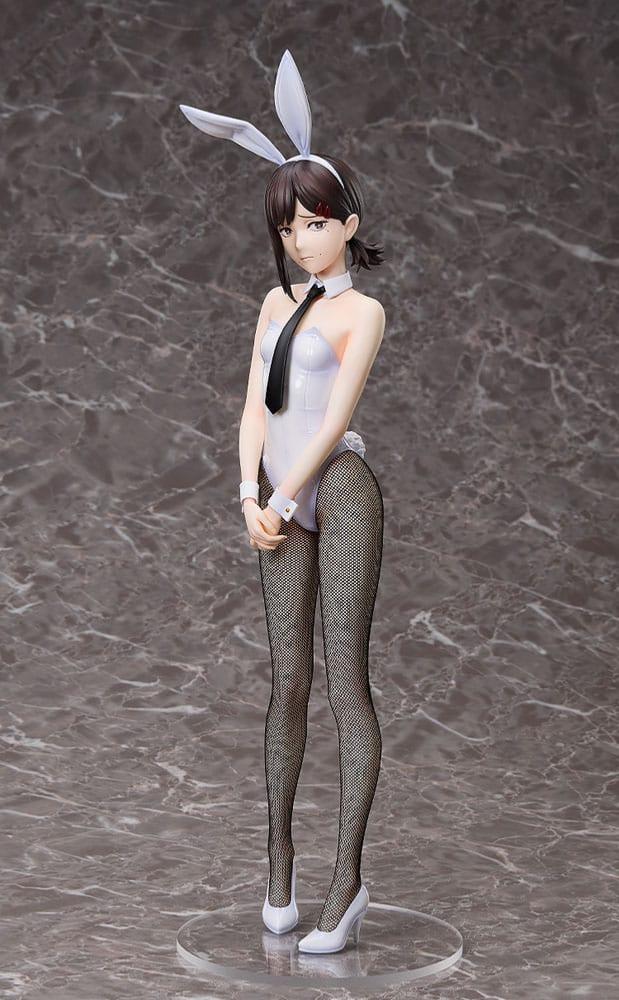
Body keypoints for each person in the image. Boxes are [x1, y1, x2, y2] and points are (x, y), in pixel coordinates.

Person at [180, 49, 385, 955]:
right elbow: (252, 408)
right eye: (287, 227)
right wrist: (246, 496)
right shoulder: (273, 302)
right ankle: (279, 864)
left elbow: (333, 418)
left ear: (347, 224)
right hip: (274, 498)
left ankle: (347, 884)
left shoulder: (361, 313)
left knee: (345, 683)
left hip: (336, 486)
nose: (301, 240)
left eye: (314, 223)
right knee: (286, 681)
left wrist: (286, 493)